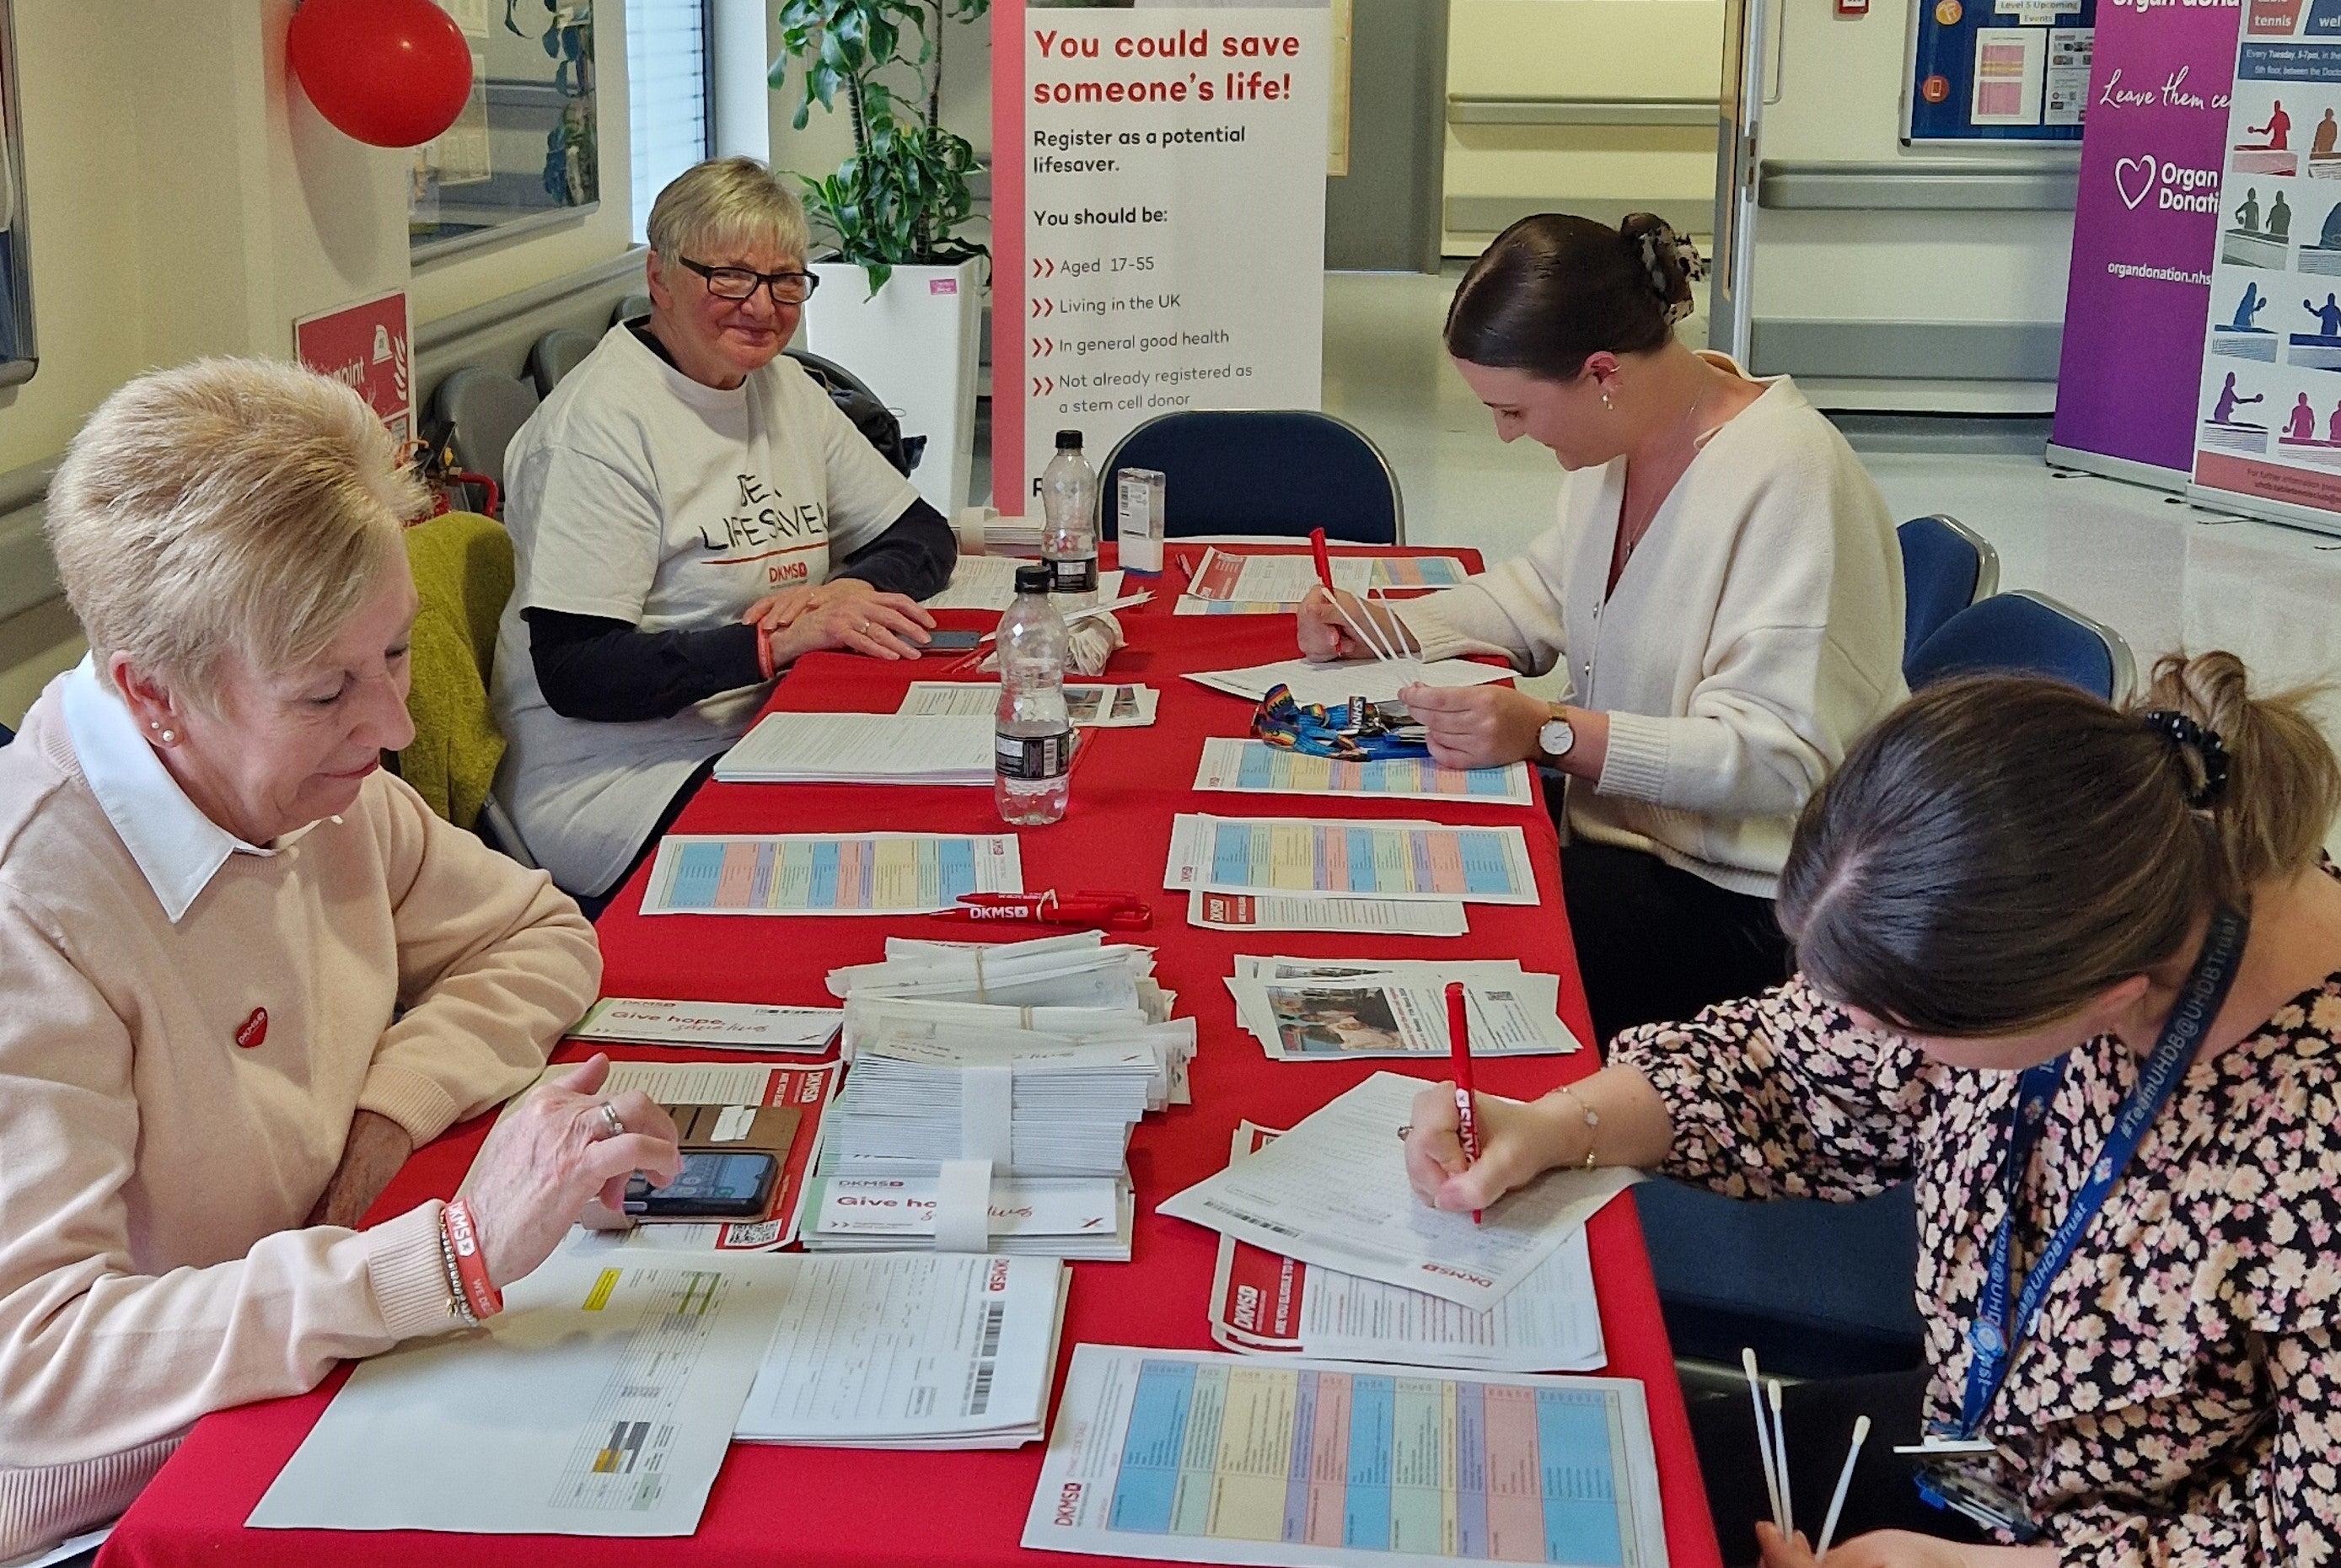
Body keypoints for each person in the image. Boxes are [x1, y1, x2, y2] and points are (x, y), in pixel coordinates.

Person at [1403, 653, 2341, 1566]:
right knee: (1548, 1497)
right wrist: (1559, 1124)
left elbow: (2305, 1534)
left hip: (2128, 1531)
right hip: (1979, 1451)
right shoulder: (2088, 884)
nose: (1875, 1044)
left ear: (2102, 1007)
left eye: (1910, 1032)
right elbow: (1781, 1060)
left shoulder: (2307, 1149)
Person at [0, 359, 686, 1564]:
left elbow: (540, 934)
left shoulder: (323, 783)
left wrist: (386, 1115)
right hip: (120, 1500)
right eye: (327, 691)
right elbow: (34, 1368)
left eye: (395, 655)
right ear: (152, 697)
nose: (396, 728)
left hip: (320, 1367)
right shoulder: (35, 907)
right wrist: (442, 1255)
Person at [1298, 212, 1904, 1044]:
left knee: (1445, 949)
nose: (1504, 435)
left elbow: (1774, 759)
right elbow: (1541, 595)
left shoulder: (1788, 479)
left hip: (1755, 906)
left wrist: (1550, 734)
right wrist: (1380, 625)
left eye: (1513, 411)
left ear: (1600, 373)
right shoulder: (1621, 446)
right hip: (1628, 854)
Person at [490, 155, 958, 900]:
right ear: (659, 278)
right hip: (618, 779)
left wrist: (837, 593)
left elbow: (925, 536)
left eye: (784, 281)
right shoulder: (594, 430)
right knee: (879, 862)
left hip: (764, 728)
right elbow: (580, 673)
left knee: (947, 799)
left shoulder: (782, 388)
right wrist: (770, 643)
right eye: (730, 277)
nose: (761, 305)